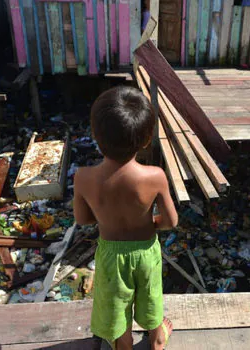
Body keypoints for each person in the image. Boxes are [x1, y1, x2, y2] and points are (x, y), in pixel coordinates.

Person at [74, 86, 178, 350]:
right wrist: (149, 223)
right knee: (151, 295)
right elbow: (170, 221)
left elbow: (83, 219)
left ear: (96, 135)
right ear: (145, 140)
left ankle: (124, 343)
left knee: (115, 304)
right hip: (145, 252)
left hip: (111, 255)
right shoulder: (155, 177)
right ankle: (155, 340)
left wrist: (108, 217)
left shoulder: (84, 177)